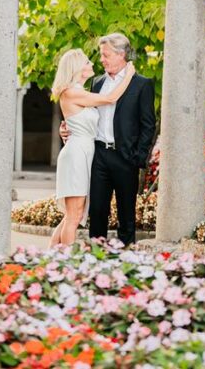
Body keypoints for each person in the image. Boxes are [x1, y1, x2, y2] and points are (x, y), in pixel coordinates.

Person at [60, 33, 156, 246]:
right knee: (97, 212)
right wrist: (67, 128)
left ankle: (127, 263)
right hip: (98, 155)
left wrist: (138, 158)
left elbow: (148, 125)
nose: (101, 59)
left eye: (106, 55)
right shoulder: (97, 82)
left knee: (126, 216)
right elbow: (81, 114)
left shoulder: (142, 84)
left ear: (121, 54)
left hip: (126, 158)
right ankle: (96, 261)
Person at [49, 47, 136, 246]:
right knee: (74, 216)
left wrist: (66, 127)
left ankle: (50, 258)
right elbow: (110, 99)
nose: (92, 64)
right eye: (88, 62)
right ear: (78, 67)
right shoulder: (71, 92)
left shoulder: (80, 92)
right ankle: (66, 265)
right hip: (77, 154)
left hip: (85, 152)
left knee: (71, 215)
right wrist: (128, 75)